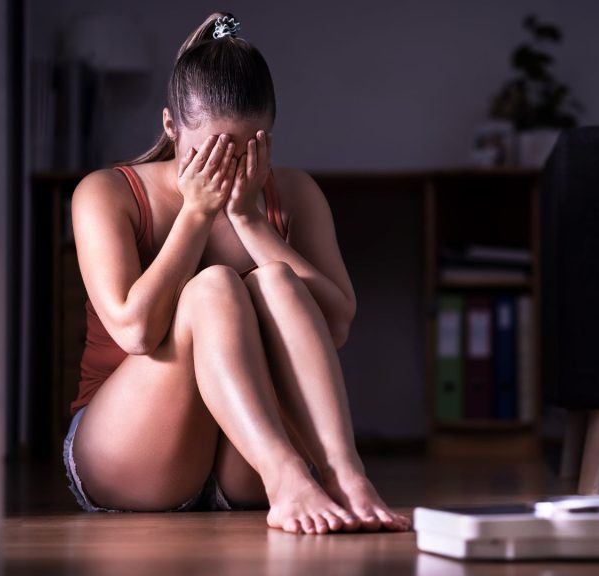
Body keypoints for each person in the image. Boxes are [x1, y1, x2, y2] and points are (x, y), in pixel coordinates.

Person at [61, 12, 411, 535]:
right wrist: (197, 215)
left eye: (248, 153)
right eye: (210, 154)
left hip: (241, 462)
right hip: (132, 453)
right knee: (215, 287)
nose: (228, 171)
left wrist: (249, 219)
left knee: (275, 280)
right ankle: (288, 476)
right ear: (170, 127)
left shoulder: (292, 194)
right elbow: (134, 330)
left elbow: (337, 323)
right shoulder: (108, 194)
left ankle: (344, 474)